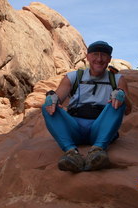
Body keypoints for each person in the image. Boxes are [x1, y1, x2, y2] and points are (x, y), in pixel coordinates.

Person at [42, 41, 132, 172]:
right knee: (47, 105)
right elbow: (58, 97)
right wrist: (52, 98)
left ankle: (97, 151)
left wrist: (122, 96)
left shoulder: (117, 79)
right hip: (74, 128)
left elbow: (128, 110)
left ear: (109, 59)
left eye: (104, 55)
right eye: (95, 54)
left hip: (100, 128)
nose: (99, 59)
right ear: (87, 57)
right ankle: (71, 153)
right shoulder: (73, 77)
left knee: (119, 100)